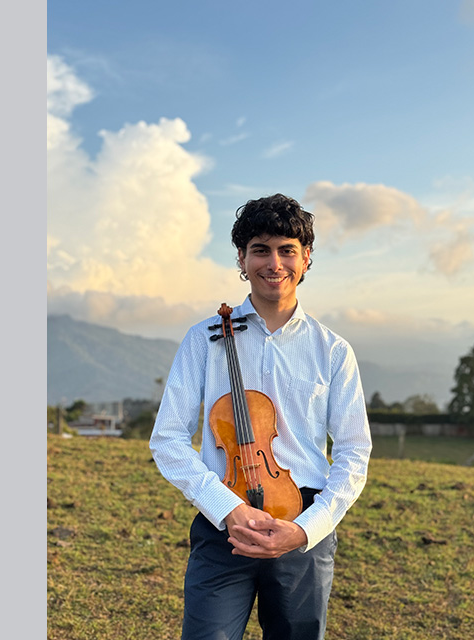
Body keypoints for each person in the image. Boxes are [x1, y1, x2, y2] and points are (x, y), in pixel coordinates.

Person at [149, 193, 373, 640]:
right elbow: (168, 439)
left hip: (303, 525)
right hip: (224, 525)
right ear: (242, 258)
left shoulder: (332, 350)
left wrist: (305, 530)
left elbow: (354, 451)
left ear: (306, 258)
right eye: (260, 250)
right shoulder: (204, 339)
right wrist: (227, 508)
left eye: (287, 250)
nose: (274, 264)